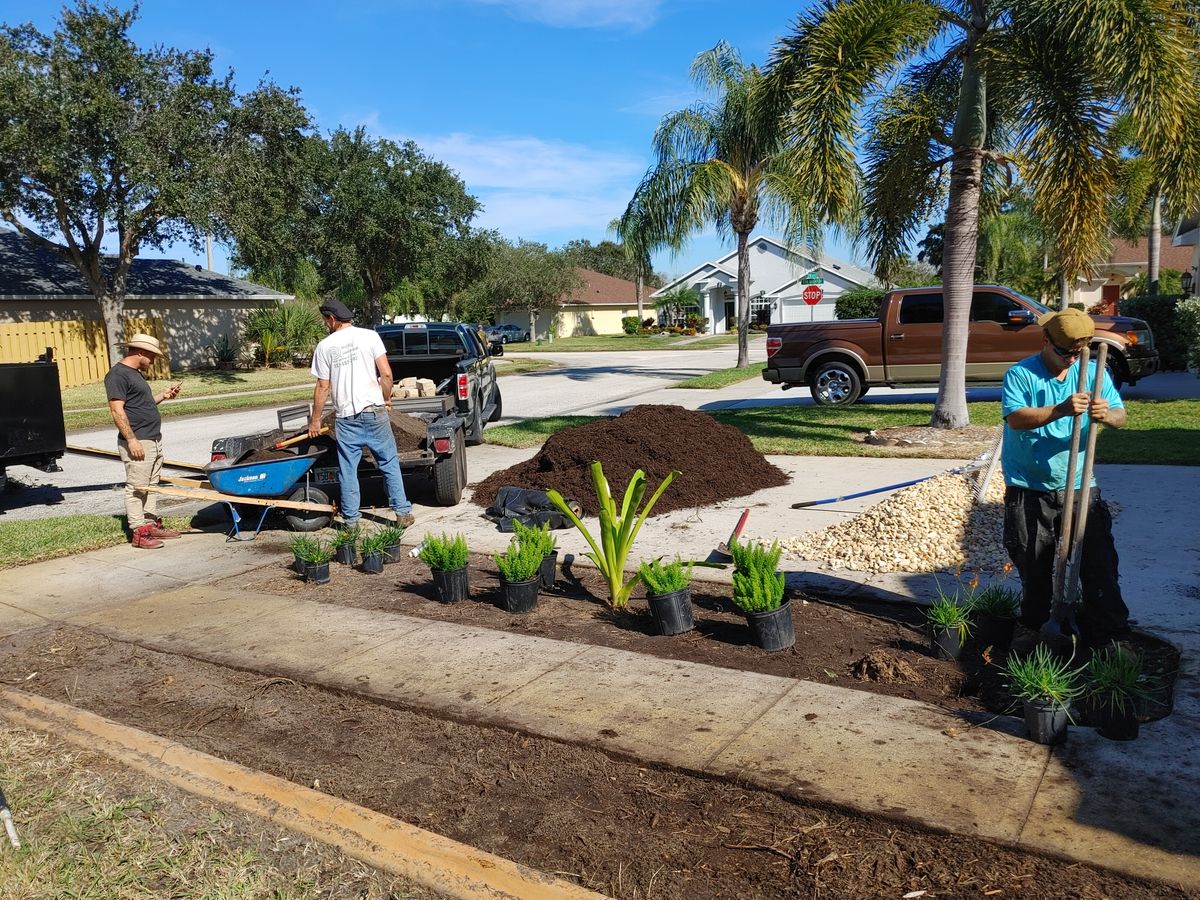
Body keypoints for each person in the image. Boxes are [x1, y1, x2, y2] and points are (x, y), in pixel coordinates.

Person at [1001, 307, 1131, 650]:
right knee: (1035, 566)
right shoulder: (1021, 374)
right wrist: (1060, 409)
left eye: (1079, 353)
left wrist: (1109, 416)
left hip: (1080, 485)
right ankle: (1032, 627)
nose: (1073, 360)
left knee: (1099, 563)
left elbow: (1121, 414)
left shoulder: (1092, 372)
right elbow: (1015, 418)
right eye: (1066, 353)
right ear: (1046, 342)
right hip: (1029, 486)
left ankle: (1112, 636)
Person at [307, 299, 414, 529]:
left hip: (346, 418)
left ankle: (352, 520)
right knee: (388, 462)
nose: (326, 324)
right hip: (375, 412)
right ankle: (402, 513)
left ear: (332, 319)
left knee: (348, 470)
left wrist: (315, 420)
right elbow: (386, 374)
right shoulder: (370, 336)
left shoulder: (325, 347)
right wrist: (385, 398)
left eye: (326, 320)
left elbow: (323, 387)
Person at [105, 333, 183, 549]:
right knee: (137, 487)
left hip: (153, 439)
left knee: (150, 486)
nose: (154, 361)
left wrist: (163, 396)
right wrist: (132, 440)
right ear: (141, 352)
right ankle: (139, 532)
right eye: (153, 356)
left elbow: (142, 404)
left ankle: (150, 524)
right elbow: (116, 410)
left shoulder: (135, 374)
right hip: (138, 440)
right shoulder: (118, 375)